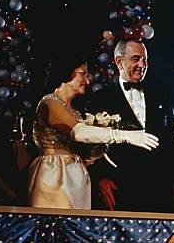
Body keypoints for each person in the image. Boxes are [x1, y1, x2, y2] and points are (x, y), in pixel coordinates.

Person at [28, 61, 158, 209]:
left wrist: (93, 153)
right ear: (65, 72)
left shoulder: (75, 111)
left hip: (76, 173)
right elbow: (78, 132)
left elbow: (80, 142)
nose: (87, 81)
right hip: (54, 174)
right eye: (82, 73)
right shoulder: (50, 102)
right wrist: (126, 135)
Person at [87, 39, 174, 213]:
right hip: (119, 187)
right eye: (136, 59)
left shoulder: (160, 94)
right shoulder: (100, 98)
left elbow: (171, 140)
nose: (142, 65)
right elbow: (93, 144)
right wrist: (101, 178)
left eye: (145, 60)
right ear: (119, 61)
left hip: (160, 188)